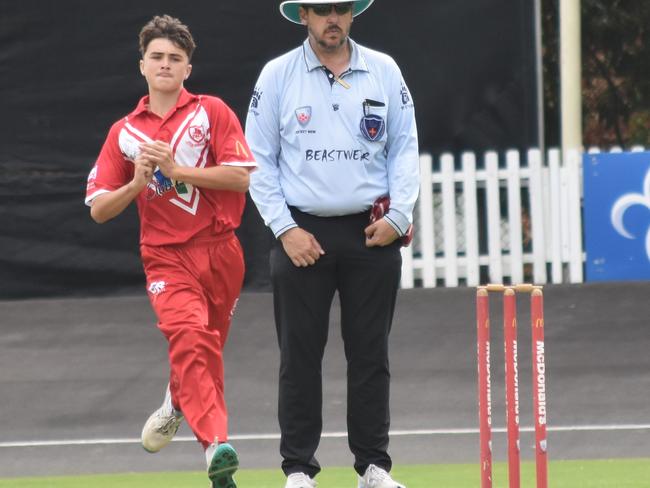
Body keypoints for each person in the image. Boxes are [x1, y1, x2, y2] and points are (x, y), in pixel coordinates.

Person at [245, 1, 419, 487]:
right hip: (302, 232)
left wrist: (400, 215)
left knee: (370, 355)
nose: (332, 19)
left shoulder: (383, 70)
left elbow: (405, 147)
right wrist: (285, 228)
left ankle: (373, 467)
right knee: (299, 356)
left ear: (353, 14)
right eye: (322, 11)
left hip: (371, 230)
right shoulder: (278, 75)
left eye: (341, 9)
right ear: (303, 15)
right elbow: (256, 158)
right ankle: (299, 469)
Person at [84, 14, 256, 488]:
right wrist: (136, 183)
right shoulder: (123, 132)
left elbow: (240, 176)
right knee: (190, 338)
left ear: (187, 69)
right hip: (165, 256)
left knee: (207, 348)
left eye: (174, 59)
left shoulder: (212, 111)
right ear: (142, 65)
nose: (165, 64)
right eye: (156, 57)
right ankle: (216, 449)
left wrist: (179, 170)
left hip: (221, 251)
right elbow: (99, 208)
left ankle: (176, 402)